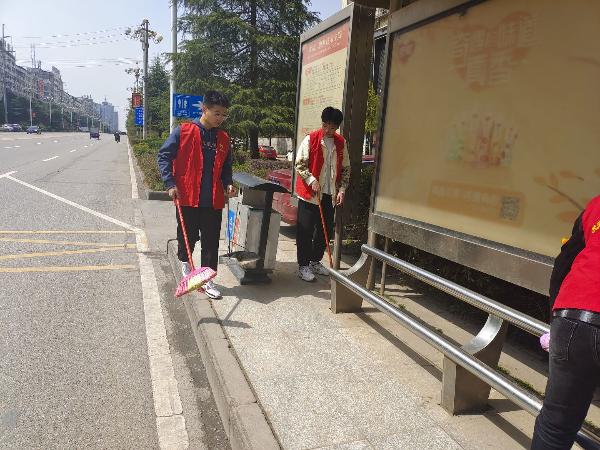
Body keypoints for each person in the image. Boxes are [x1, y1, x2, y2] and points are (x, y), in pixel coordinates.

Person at [531, 195, 600, 449]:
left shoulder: (596, 206)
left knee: (555, 426)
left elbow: (564, 262)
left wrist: (556, 322)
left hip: (572, 314)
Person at [157, 90, 235, 299]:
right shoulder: (184, 131)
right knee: (187, 237)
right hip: (187, 196)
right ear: (204, 109)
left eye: (223, 114)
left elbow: (226, 166)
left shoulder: (223, 138)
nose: (220, 118)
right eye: (217, 113)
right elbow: (164, 156)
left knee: (211, 242)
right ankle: (186, 265)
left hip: (213, 199)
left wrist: (228, 183)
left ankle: (207, 280)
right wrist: (170, 183)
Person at [294, 106, 350, 282]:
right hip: (310, 194)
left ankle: (315, 261)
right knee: (305, 230)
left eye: (332, 128)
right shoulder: (311, 139)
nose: (328, 130)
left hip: (329, 194)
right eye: (325, 126)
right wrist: (311, 179)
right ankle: (303, 265)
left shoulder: (341, 143)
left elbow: (346, 169)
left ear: (337, 127)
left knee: (325, 230)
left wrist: (342, 190)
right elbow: (300, 164)